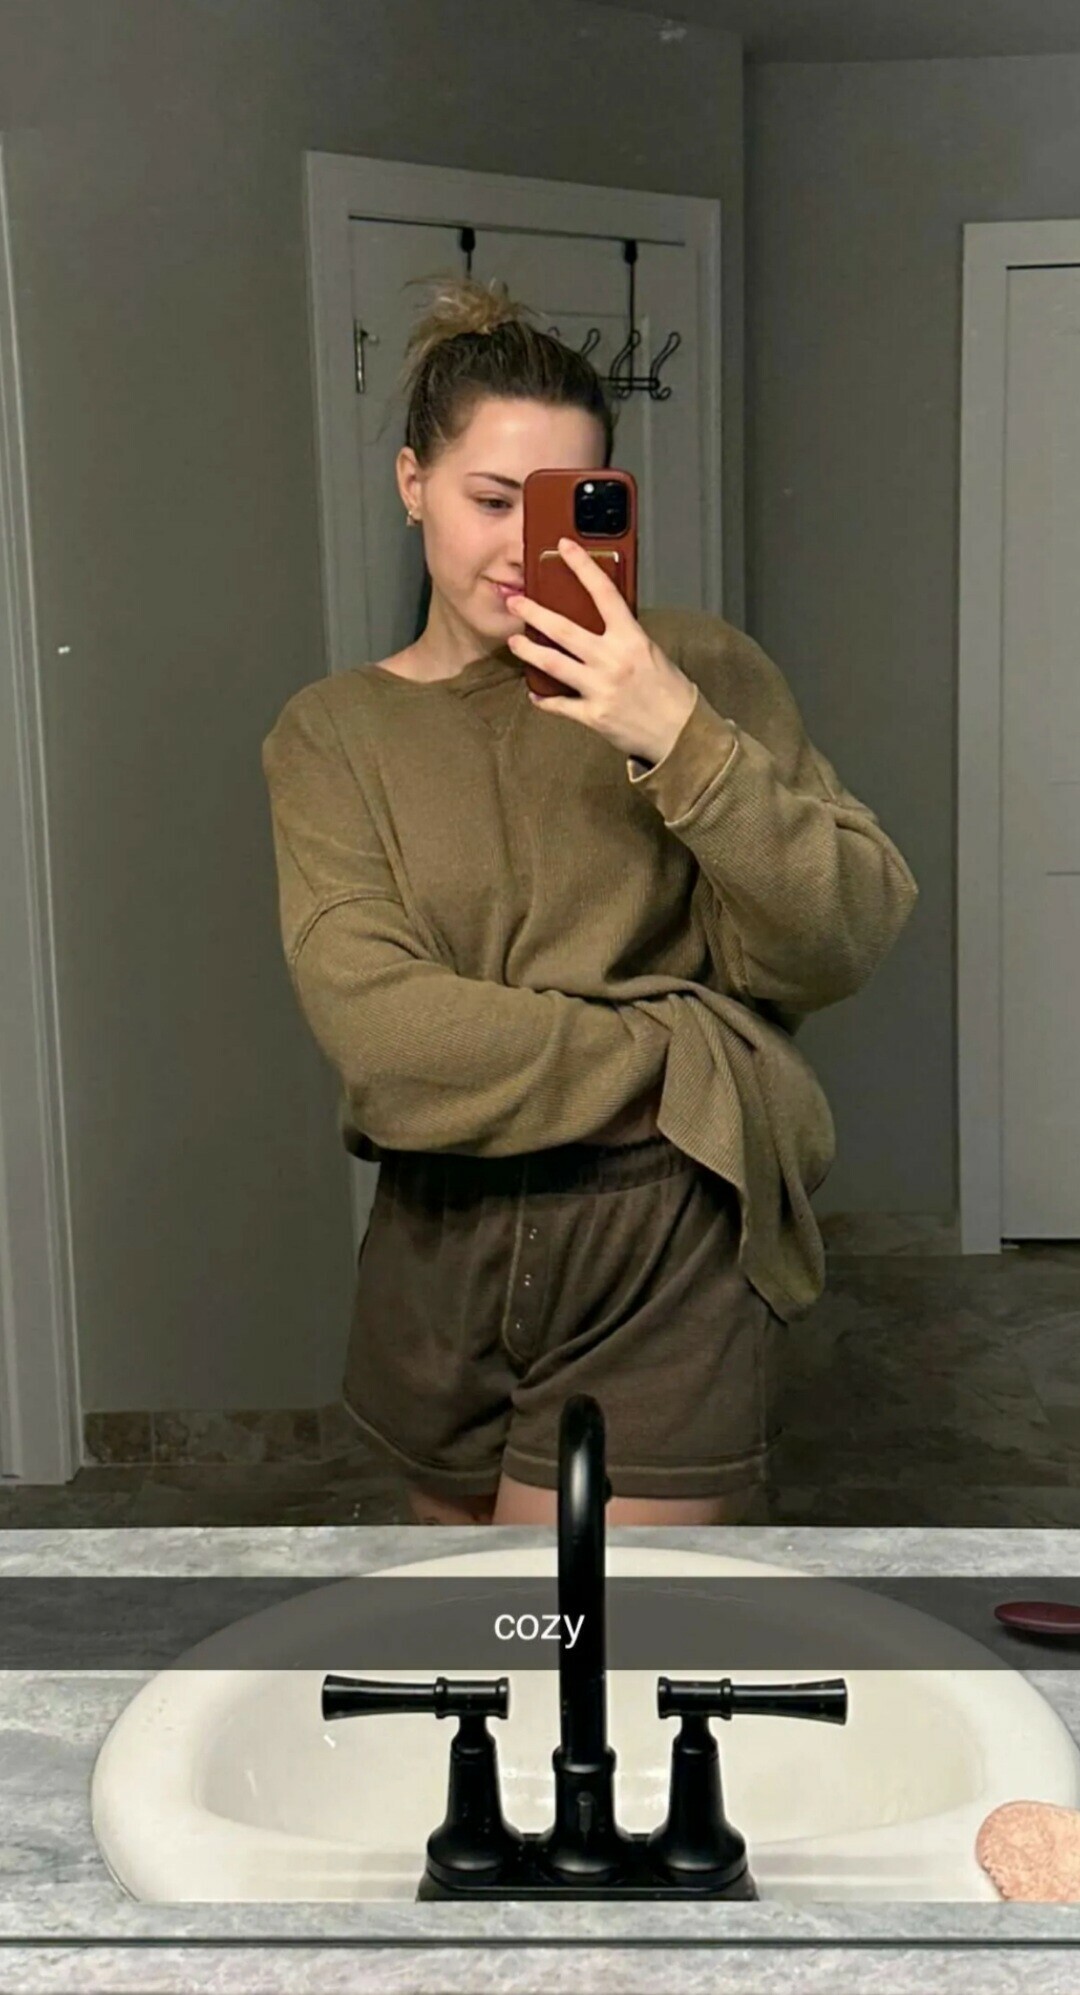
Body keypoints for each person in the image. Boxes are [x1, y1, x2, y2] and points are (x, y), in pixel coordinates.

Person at [261, 271, 919, 1531]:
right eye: (490, 499)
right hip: (437, 1233)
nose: (528, 547)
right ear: (411, 484)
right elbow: (385, 1038)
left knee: (600, 1626)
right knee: (477, 1629)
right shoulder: (331, 734)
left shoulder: (699, 670)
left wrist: (676, 735)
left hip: (659, 1223)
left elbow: (841, 937)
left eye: (568, 504)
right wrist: (679, 1054)